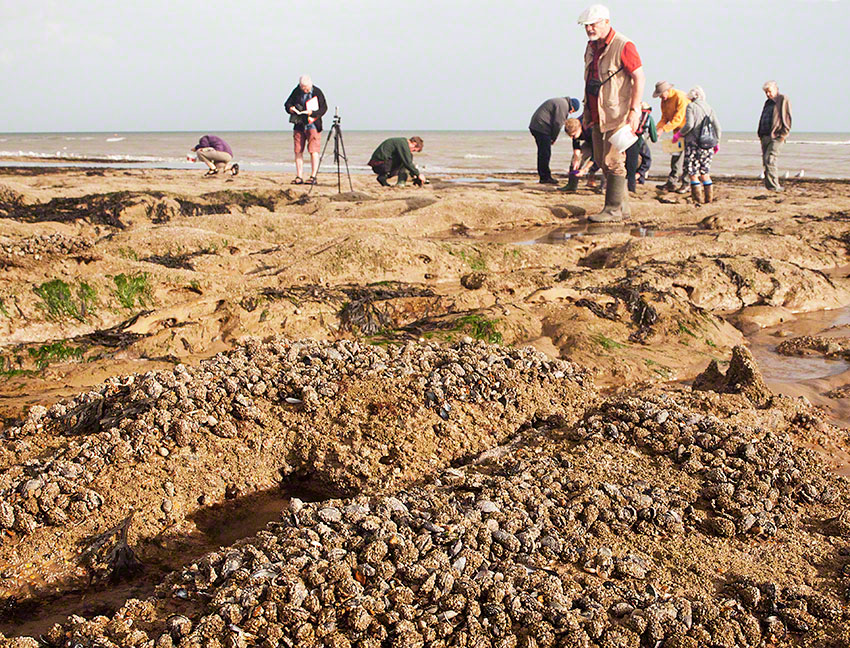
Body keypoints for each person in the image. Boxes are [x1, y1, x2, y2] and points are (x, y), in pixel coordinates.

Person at [578, 4, 645, 223]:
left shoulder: (624, 45)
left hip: (619, 113)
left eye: (594, 24)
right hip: (597, 113)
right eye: (587, 26)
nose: (589, 29)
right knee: (600, 159)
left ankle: (613, 210)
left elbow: (639, 77)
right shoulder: (590, 47)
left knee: (614, 160)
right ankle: (622, 207)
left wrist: (634, 111)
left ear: (607, 22)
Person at [678, 86, 721, 204]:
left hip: (693, 144)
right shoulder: (709, 108)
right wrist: (717, 142)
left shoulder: (691, 106)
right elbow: (718, 127)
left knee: (692, 173)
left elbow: (689, 125)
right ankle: (708, 200)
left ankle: (697, 200)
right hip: (708, 145)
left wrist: (679, 134)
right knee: (705, 172)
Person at [284, 74, 328, 185]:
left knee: (314, 150)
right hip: (299, 124)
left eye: (306, 88)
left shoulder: (317, 92)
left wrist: (312, 113)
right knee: (298, 150)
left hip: (313, 124)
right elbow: (287, 104)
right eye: (303, 88)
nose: (305, 90)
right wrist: (291, 108)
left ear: (310, 84)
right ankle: (299, 176)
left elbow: (324, 108)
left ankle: (313, 176)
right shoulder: (297, 91)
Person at [528, 96, 581, 185]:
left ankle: (544, 176)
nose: (570, 113)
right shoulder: (563, 106)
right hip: (541, 127)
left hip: (537, 125)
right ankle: (545, 177)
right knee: (545, 153)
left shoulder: (561, 102)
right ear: (572, 107)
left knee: (542, 153)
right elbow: (557, 123)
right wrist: (553, 138)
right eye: (572, 111)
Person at [653, 81, 690, 193]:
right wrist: (657, 129)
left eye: (661, 94)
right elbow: (664, 117)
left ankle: (686, 183)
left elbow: (678, 119)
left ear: (667, 91)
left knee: (687, 159)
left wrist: (663, 129)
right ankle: (671, 182)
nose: (660, 97)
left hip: (688, 131)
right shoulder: (663, 101)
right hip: (676, 132)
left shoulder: (680, 97)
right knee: (675, 158)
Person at [758, 81, 792, 192]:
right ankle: (769, 187)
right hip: (765, 135)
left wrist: (783, 134)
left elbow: (787, 117)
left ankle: (774, 187)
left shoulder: (782, 99)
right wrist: (760, 133)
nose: (767, 94)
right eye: (766, 92)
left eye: (769, 91)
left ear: (776, 89)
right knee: (766, 161)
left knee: (770, 159)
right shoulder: (767, 102)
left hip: (776, 135)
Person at [563, 117, 601, 192]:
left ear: (579, 128)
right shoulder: (573, 126)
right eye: (570, 136)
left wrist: (584, 169)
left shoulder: (590, 129)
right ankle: (571, 186)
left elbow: (594, 155)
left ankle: (600, 184)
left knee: (601, 162)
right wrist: (576, 159)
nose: (571, 137)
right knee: (576, 160)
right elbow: (576, 146)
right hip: (588, 142)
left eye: (573, 135)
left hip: (600, 143)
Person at [625, 102, 657, 192]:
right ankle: (638, 179)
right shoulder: (649, 118)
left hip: (626, 139)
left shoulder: (630, 115)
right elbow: (654, 138)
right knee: (647, 158)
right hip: (638, 140)